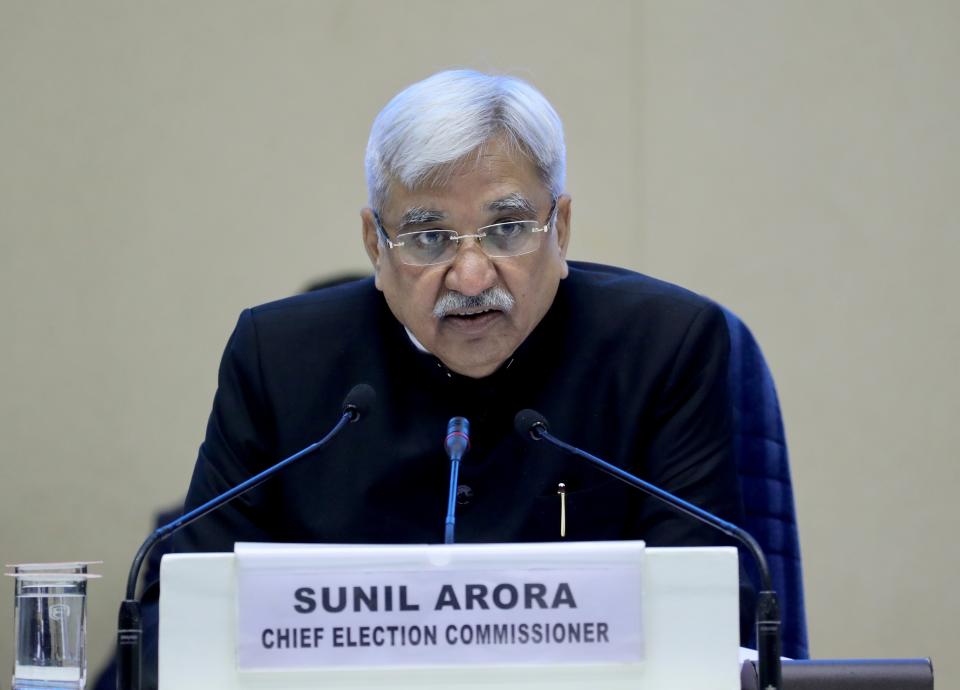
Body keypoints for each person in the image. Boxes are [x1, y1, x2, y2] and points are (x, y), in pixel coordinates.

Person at [140, 69, 749, 687]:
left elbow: (706, 626)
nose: (471, 277)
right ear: (375, 248)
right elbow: (183, 623)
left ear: (559, 230)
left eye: (507, 229)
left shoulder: (661, 347)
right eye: (428, 238)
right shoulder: (280, 360)